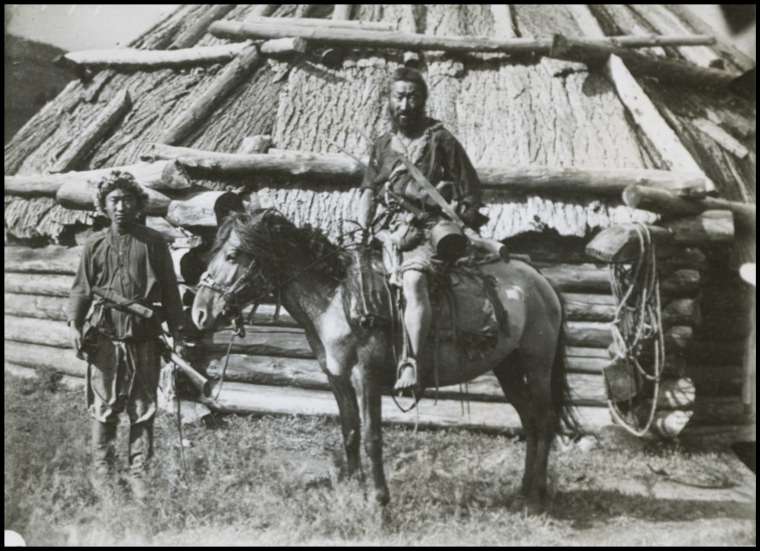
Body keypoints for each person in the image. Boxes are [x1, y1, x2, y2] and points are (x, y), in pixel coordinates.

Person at [358, 67, 486, 393]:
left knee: (413, 280)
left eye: (413, 97)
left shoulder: (440, 139)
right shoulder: (382, 145)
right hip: (386, 231)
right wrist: (362, 228)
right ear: (388, 100)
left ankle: (411, 362)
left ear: (423, 100)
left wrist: (456, 218)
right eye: (399, 96)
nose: (405, 104)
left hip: (429, 232)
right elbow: (369, 191)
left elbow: (469, 192)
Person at [67, 170, 185, 500]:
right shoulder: (94, 245)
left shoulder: (154, 243)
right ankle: (103, 476)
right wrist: (75, 325)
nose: (120, 206)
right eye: (114, 200)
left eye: (127, 200)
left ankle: (140, 477)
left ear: (137, 205)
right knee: (104, 407)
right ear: (104, 205)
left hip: (144, 337)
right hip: (104, 336)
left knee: (143, 407)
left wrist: (177, 329)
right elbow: (81, 289)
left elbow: (171, 292)